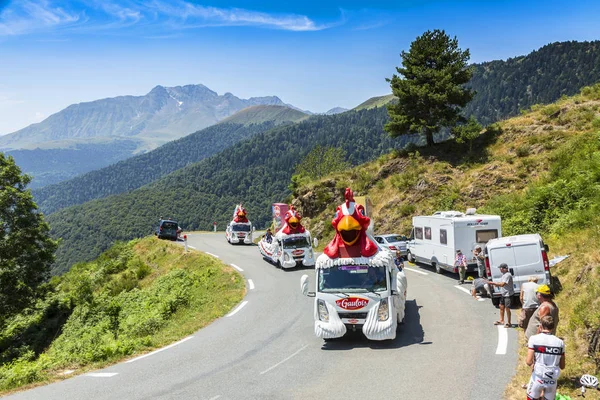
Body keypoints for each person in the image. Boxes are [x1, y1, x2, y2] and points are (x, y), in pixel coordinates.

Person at [525, 315, 565, 400]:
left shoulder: (534, 339)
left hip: (538, 377)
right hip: (552, 379)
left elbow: (528, 361)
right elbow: (562, 366)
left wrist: (533, 365)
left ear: (541, 326)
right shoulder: (560, 343)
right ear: (553, 327)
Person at [487, 263, 514, 327]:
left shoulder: (507, 275)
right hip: (503, 293)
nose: (500, 269)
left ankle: (509, 323)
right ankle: (501, 320)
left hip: (508, 294)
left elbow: (502, 284)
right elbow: (501, 283)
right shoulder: (504, 275)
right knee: (501, 306)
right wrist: (496, 284)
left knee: (507, 308)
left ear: (504, 268)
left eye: (500, 268)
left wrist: (492, 283)